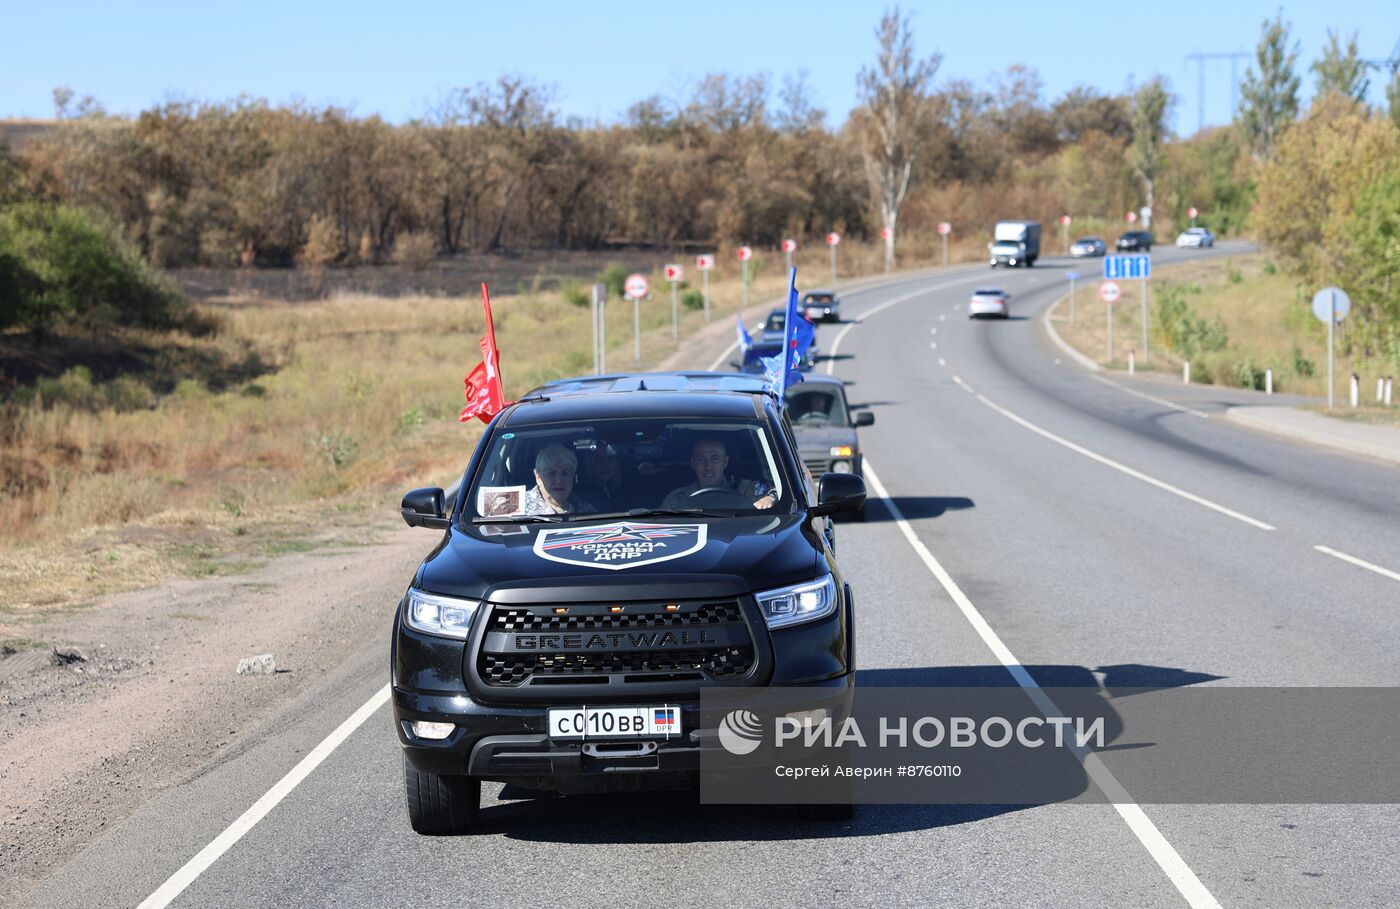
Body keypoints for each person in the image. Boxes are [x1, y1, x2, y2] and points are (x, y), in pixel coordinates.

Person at [660, 437, 775, 510]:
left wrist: (770, 497)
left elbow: (779, 491)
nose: (708, 466)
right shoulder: (676, 500)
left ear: (725, 462)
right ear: (693, 463)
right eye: (701, 459)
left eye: (714, 459)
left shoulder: (747, 489)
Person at [521, 444, 594, 515]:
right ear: (538, 478)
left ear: (572, 477)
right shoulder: (520, 506)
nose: (559, 480)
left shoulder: (586, 510)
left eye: (565, 473)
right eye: (551, 473)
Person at [576, 443, 624, 512]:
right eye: (597, 459)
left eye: (610, 458)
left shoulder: (628, 492)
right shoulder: (580, 497)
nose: (605, 464)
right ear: (588, 463)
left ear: (617, 462)